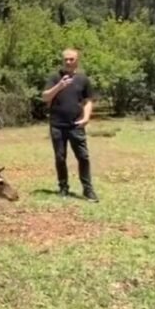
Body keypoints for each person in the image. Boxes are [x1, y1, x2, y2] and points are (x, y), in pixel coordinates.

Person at [40, 48, 98, 202]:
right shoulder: (54, 78)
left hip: (76, 125)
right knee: (60, 158)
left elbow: (89, 101)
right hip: (57, 125)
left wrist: (86, 118)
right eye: (65, 59)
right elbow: (45, 97)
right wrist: (59, 85)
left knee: (83, 157)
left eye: (71, 59)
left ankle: (88, 190)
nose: (68, 62)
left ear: (77, 60)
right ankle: (63, 187)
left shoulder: (83, 79)